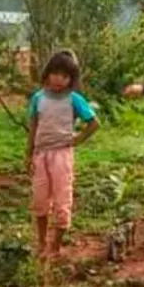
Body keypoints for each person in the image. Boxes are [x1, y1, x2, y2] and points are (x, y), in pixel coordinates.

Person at [26, 50, 100, 258]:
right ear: (47, 74)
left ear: (71, 79)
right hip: (41, 155)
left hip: (61, 155)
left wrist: (77, 139)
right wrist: (28, 154)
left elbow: (94, 123)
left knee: (62, 200)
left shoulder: (74, 100)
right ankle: (41, 243)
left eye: (65, 76)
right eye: (56, 74)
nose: (59, 80)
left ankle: (55, 247)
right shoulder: (38, 98)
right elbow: (33, 128)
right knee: (40, 200)